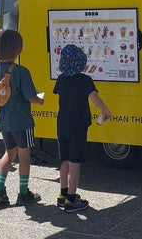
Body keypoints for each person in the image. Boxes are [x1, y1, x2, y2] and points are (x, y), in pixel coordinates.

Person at [53, 44, 112, 213]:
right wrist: (105, 110)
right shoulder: (85, 80)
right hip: (77, 125)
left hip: (62, 124)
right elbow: (94, 98)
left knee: (64, 161)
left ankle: (62, 194)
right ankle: (72, 200)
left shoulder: (61, 79)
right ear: (81, 63)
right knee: (75, 163)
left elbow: (58, 94)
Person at [0, 29, 44, 206]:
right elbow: (30, 97)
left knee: (9, 153)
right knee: (24, 155)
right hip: (22, 122)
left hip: (4, 122)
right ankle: (23, 192)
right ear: (17, 49)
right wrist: (41, 101)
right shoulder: (21, 71)